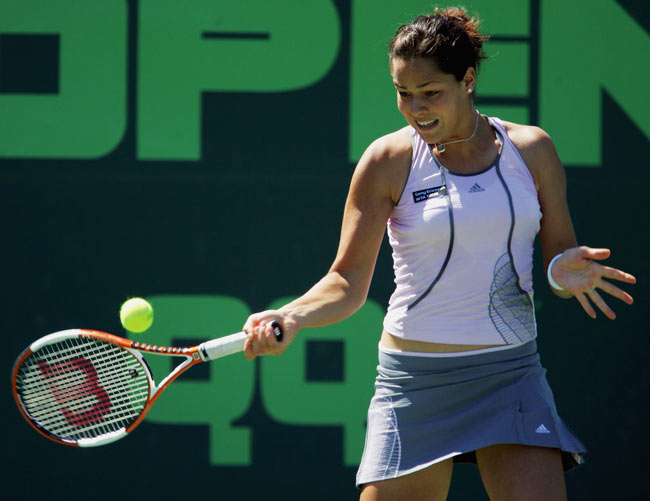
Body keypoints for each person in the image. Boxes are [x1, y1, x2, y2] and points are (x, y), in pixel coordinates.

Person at [242, 7, 636, 500]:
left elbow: (557, 257)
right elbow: (346, 281)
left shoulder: (531, 150)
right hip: (414, 383)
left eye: (431, 93)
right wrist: (293, 316)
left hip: (510, 374)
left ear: (467, 80)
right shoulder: (388, 161)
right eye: (403, 93)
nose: (415, 108)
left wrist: (563, 271)